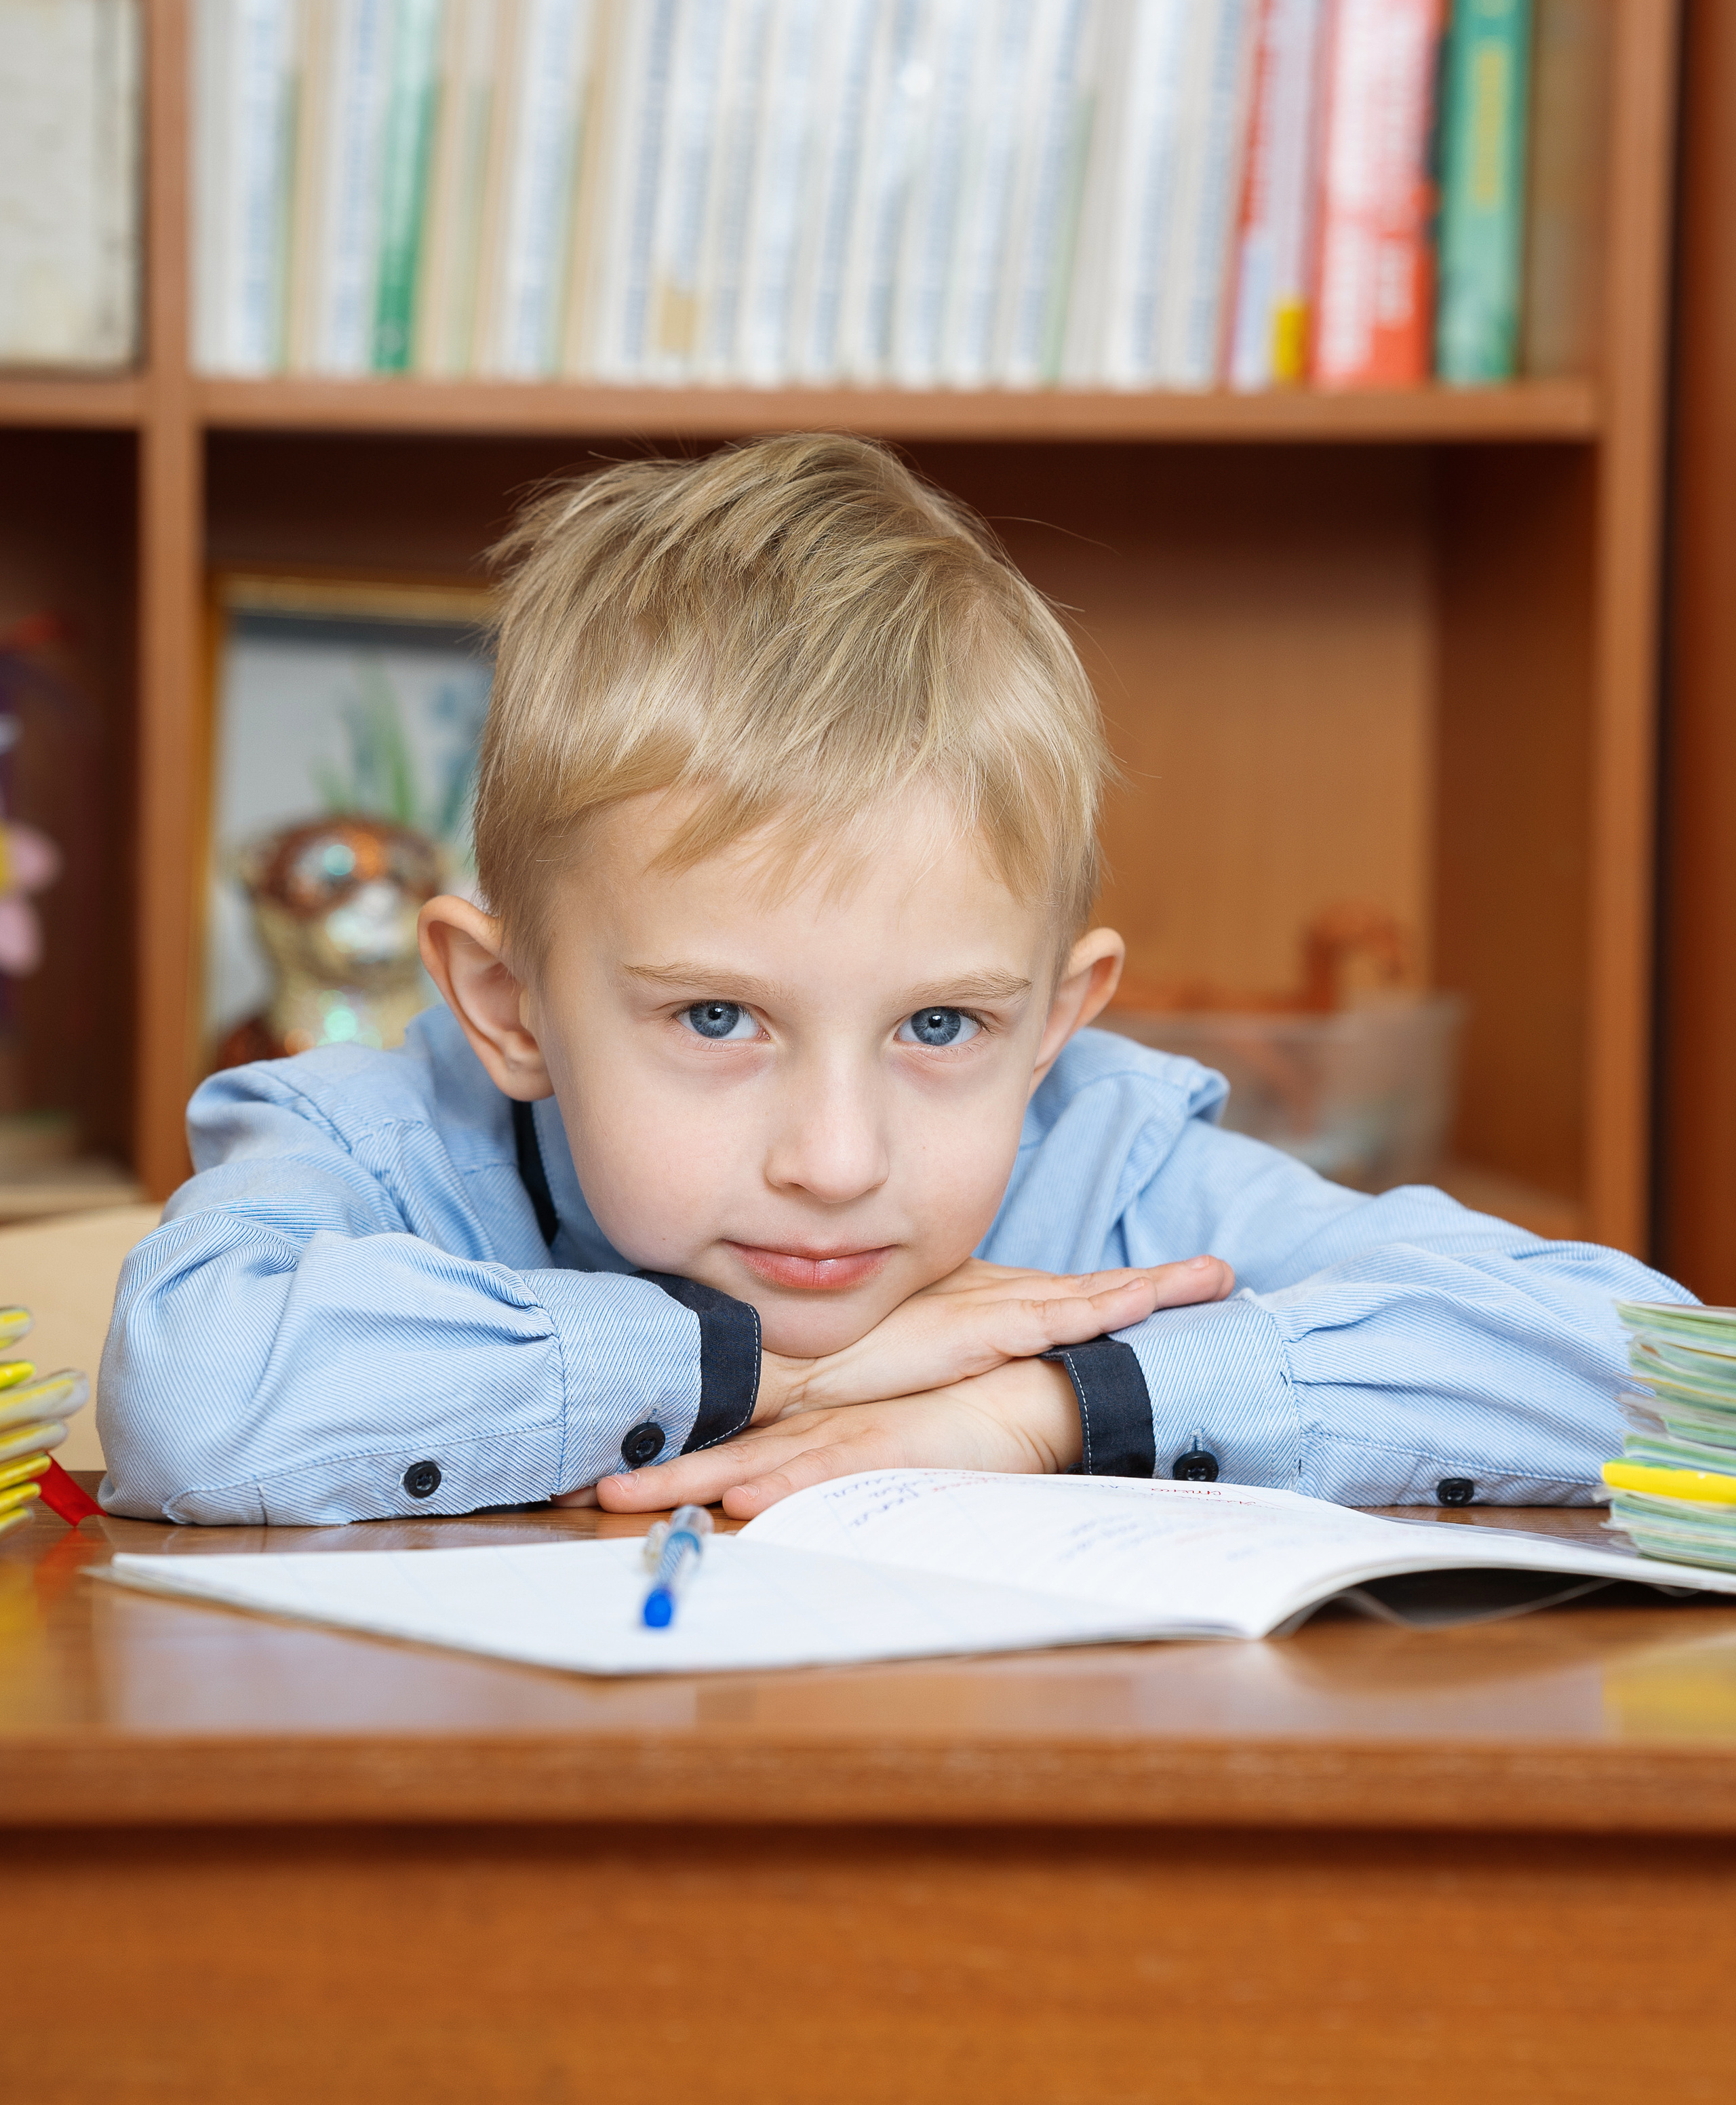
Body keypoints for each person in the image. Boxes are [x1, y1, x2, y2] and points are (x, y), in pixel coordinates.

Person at [98, 435, 1689, 1525]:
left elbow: (1674, 1389)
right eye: (717, 1018)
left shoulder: (1106, 1178)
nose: (838, 1161)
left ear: (1055, 1022)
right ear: (505, 1004)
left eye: (939, 1026)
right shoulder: (377, 1143)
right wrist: (764, 1364)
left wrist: (1059, 1407)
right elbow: (185, 1391)